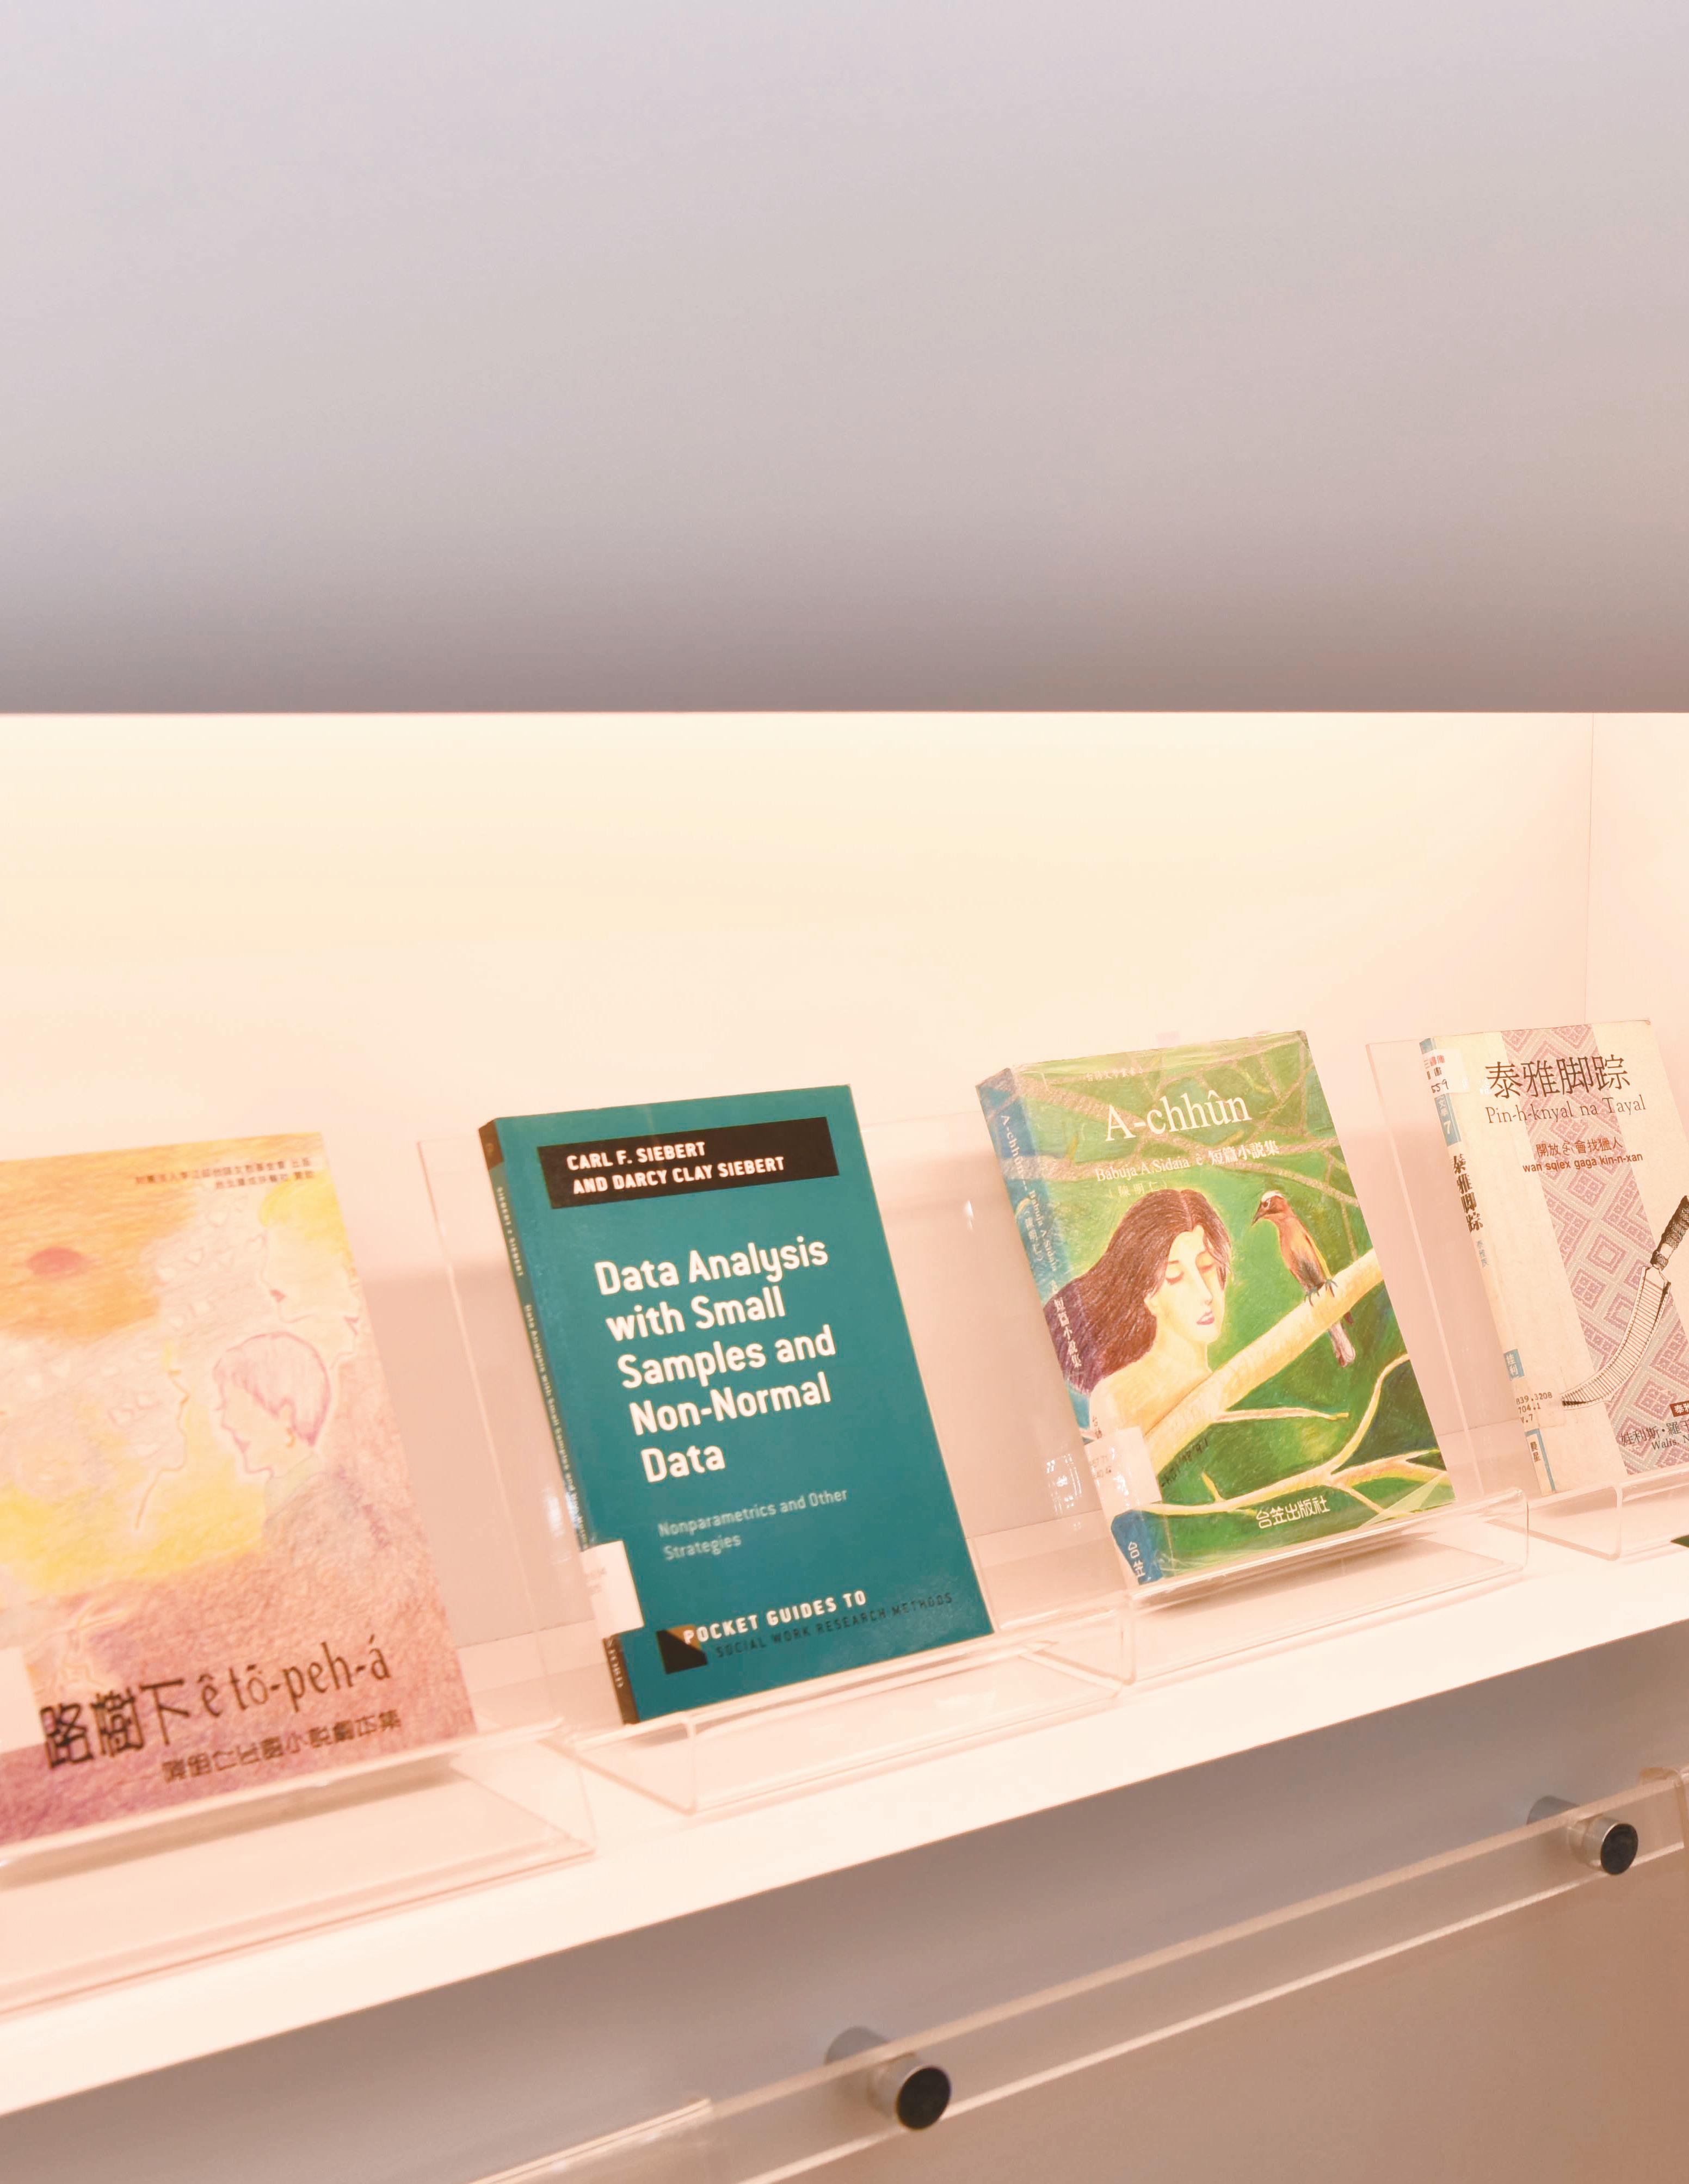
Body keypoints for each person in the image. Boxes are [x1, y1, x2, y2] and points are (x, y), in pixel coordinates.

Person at [1046, 1187, 1232, 1435]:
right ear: (1149, 1298)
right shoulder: (1118, 1397)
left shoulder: (1229, 1386)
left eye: (1207, 1267)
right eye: (1175, 1277)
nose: (1205, 1293)